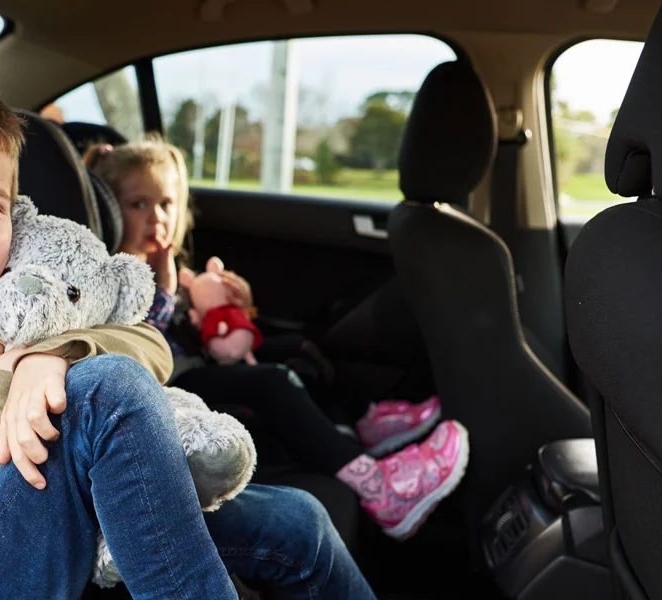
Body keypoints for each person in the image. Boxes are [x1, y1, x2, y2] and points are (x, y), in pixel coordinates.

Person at [0, 64, 377, 600]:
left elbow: (147, 341)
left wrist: (53, 356)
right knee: (105, 387)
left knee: (300, 520)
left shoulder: (6, 291)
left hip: (49, 520)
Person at [84, 138, 470, 540]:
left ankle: (357, 432)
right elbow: (140, 347)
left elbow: (206, 327)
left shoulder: (171, 266)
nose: (157, 218)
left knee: (298, 353)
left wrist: (240, 310)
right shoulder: (115, 274)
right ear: (109, 209)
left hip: (199, 365)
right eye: (138, 205)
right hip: (167, 390)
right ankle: (381, 489)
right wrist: (164, 290)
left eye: (165, 204)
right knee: (272, 381)